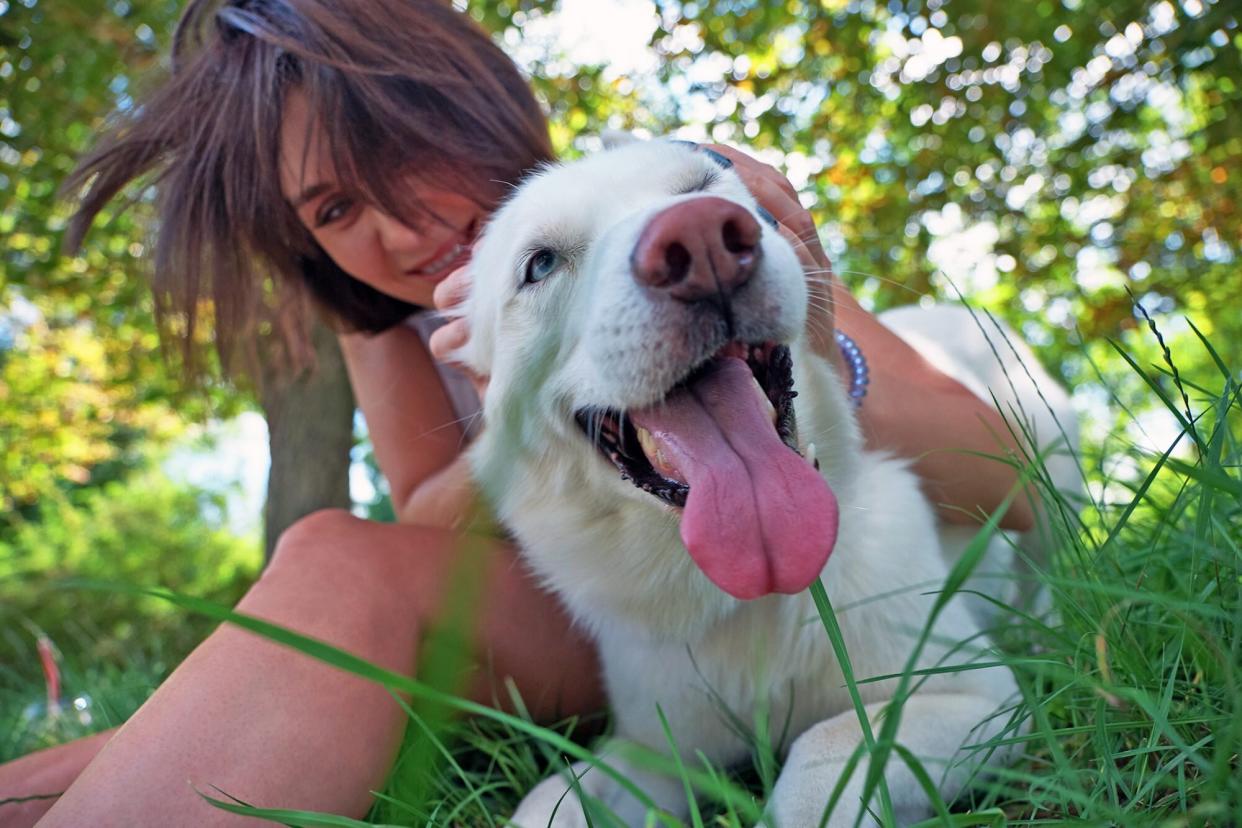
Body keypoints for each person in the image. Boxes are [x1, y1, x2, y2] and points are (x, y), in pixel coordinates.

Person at [0, 0, 1040, 825]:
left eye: (400, 148)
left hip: (681, 577)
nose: (400, 229)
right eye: (334, 211)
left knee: (329, 569)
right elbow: (424, 519)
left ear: (463, 101)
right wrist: (521, 414)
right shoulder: (384, 330)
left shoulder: (657, 204)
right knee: (298, 609)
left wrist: (812, 339)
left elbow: (1012, 474)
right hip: (585, 576)